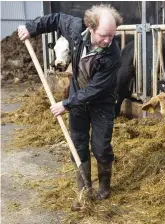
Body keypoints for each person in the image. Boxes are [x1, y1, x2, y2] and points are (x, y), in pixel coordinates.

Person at [18, 4, 123, 210]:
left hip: (101, 102)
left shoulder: (113, 55)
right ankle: (84, 190)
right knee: (79, 144)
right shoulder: (75, 29)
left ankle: (104, 186)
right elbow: (56, 19)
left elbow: (96, 89)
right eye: (104, 35)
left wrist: (66, 104)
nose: (108, 40)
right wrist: (32, 28)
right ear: (91, 28)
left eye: (112, 35)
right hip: (77, 97)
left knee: (101, 147)